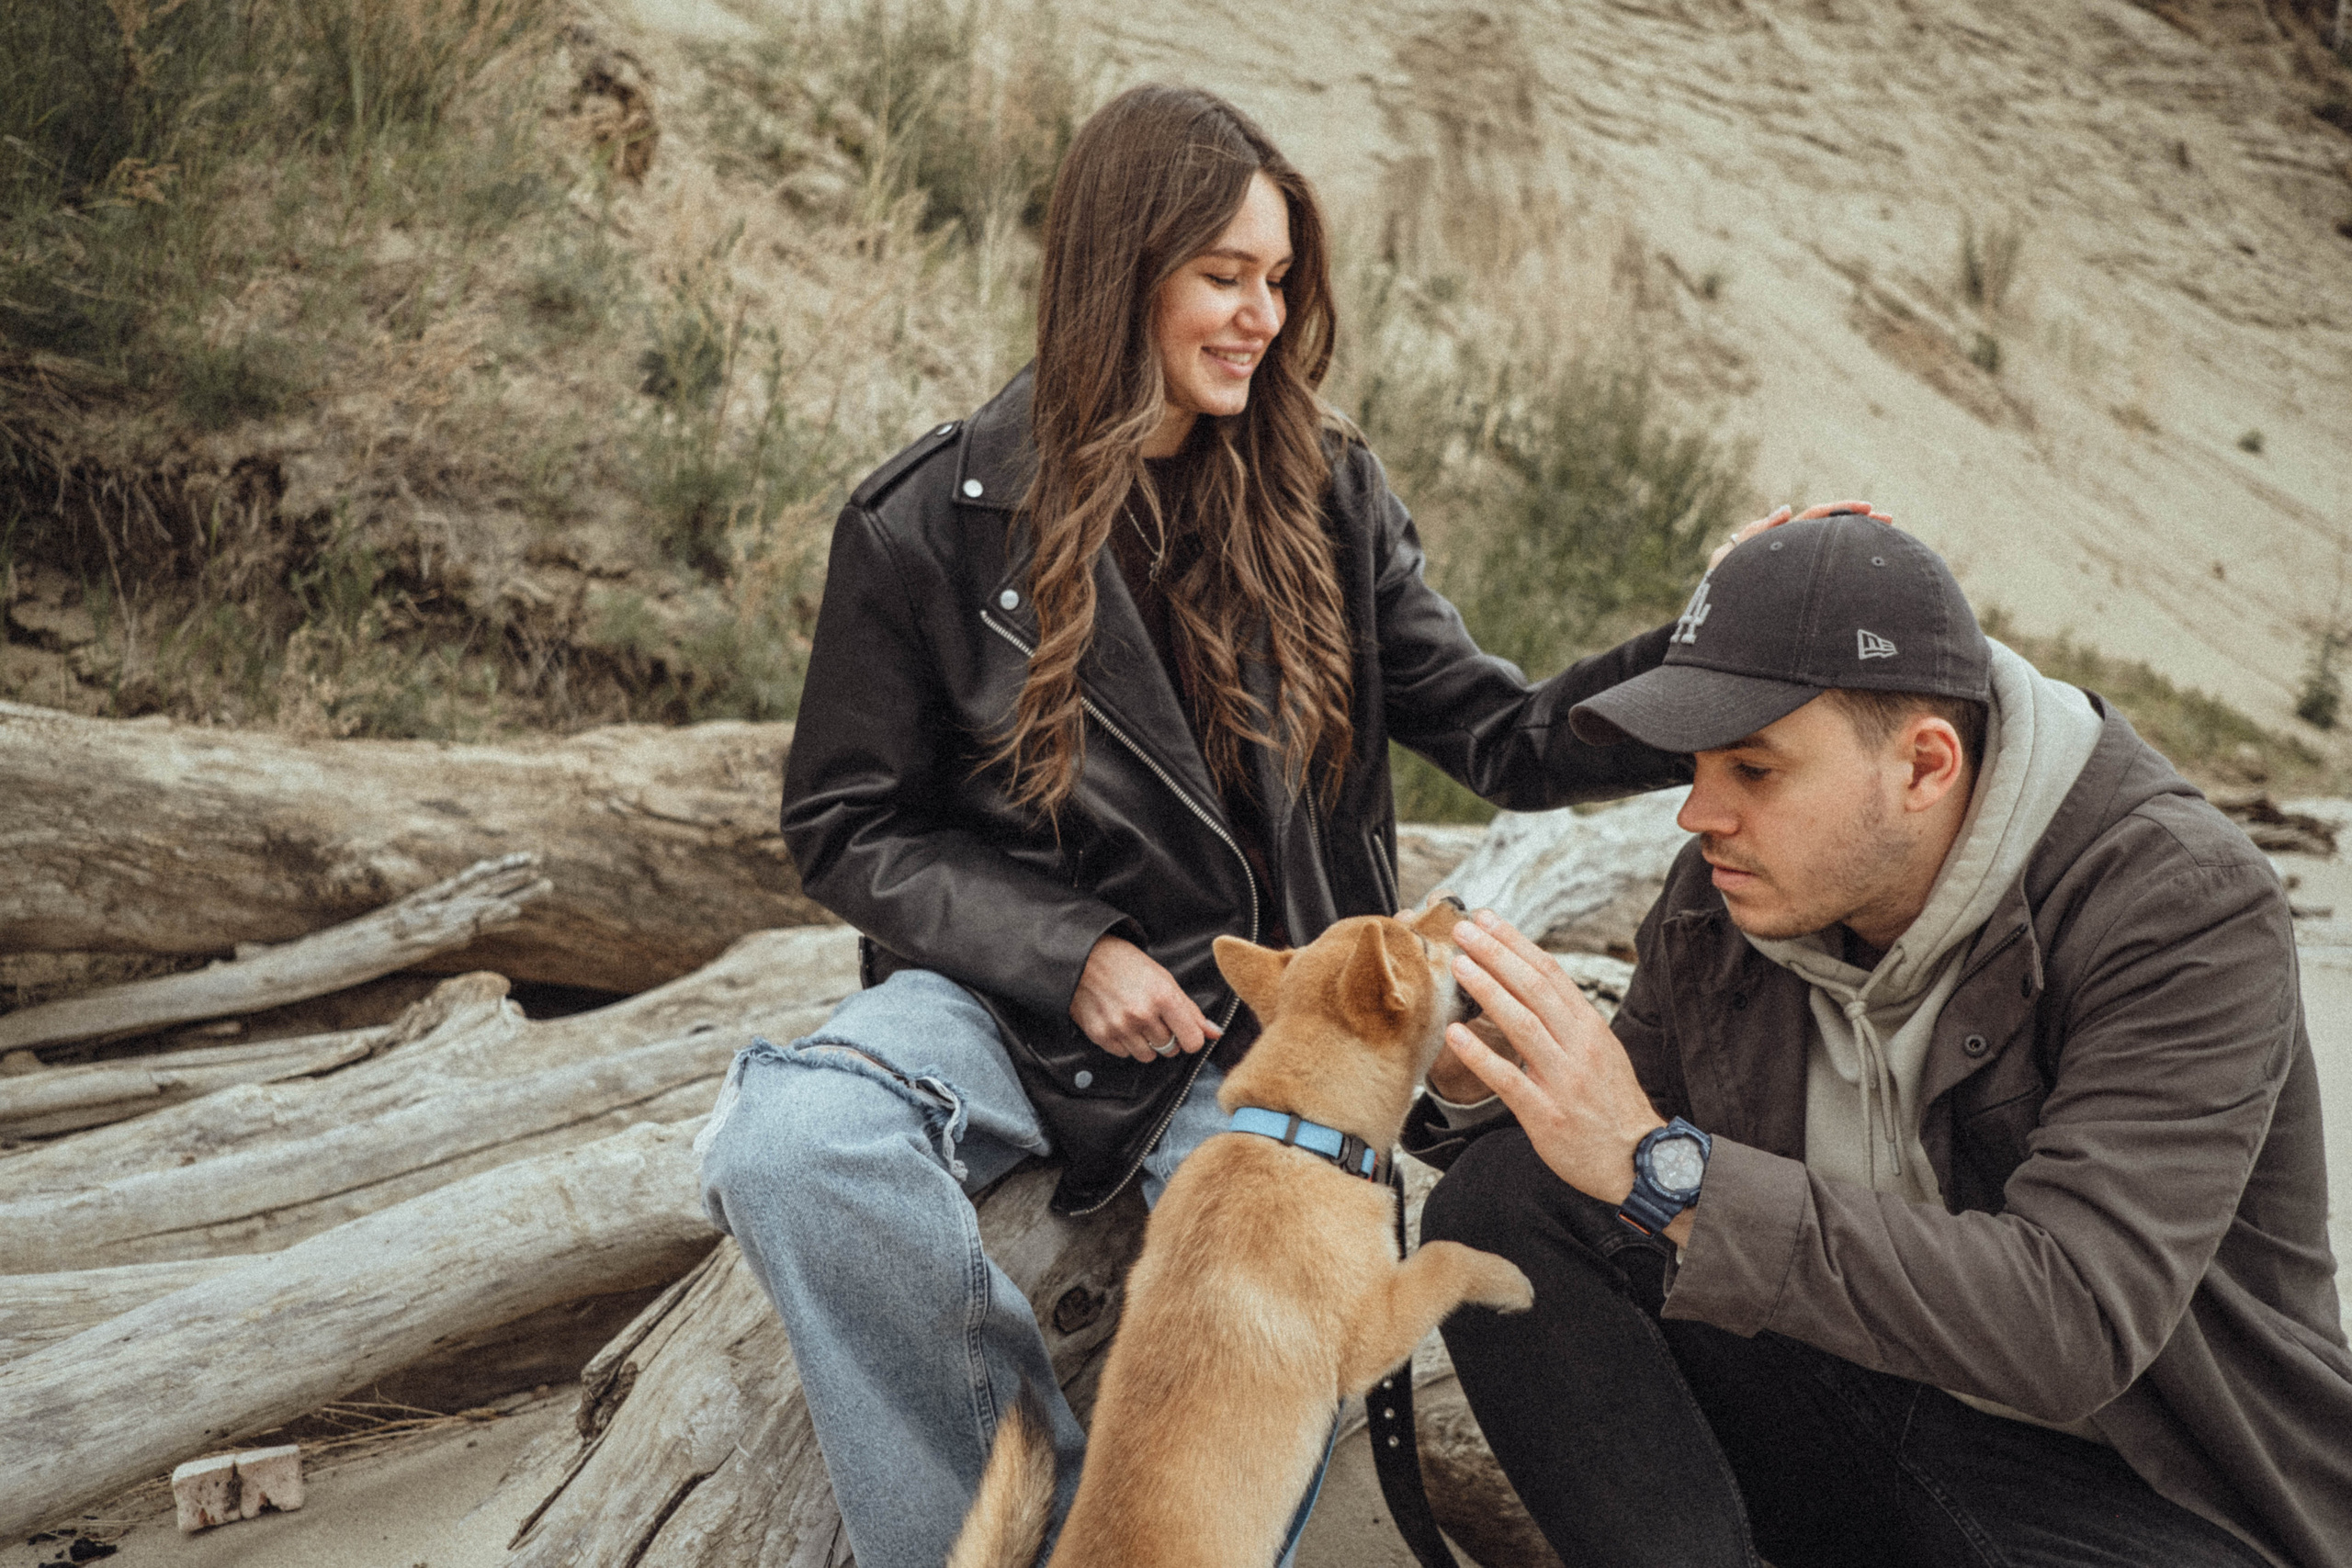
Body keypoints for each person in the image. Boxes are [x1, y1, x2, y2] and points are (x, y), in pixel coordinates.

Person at [691, 84, 1702, 1567]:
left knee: (1267, 1312)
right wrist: (1072, 949)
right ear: (1121, 273)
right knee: (790, 1140)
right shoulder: (928, 520)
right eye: (1225, 276)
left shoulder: (1325, 491)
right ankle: (995, 1523)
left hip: (1253, 1047)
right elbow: (847, 823)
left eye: (1281, 280)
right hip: (998, 1009)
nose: (1262, 316)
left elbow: (1506, 734)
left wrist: (1716, 631)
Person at [1413, 513, 2352, 1568]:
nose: (1697, 814)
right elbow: (1606, 1147)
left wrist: (1663, 1172)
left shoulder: (2177, 904)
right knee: (1505, 1199)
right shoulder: (1728, 896)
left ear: (1924, 764)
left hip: (2155, 1494)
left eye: (1754, 772)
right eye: (1696, 765)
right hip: (1861, 1409)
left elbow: (2074, 1320)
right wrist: (1475, 1074)